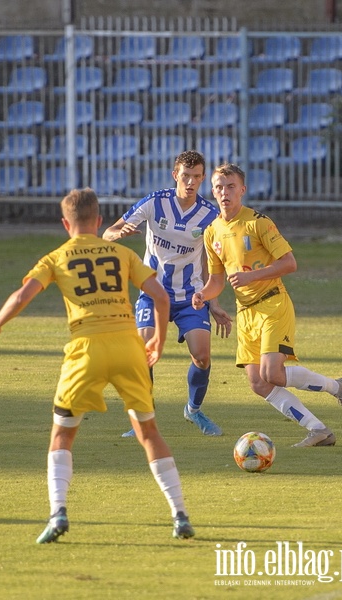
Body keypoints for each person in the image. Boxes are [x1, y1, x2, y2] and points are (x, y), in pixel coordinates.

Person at [0, 188, 195, 542]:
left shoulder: (56, 257)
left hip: (86, 350)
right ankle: (180, 515)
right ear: (99, 221)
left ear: (65, 224)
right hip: (128, 346)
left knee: (62, 433)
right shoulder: (121, 252)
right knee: (149, 433)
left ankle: (58, 513)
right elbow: (159, 295)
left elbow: (22, 296)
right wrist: (158, 338)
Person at [192, 164, 342, 447]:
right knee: (258, 383)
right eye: (219, 187)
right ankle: (318, 429)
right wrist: (204, 295)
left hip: (272, 304)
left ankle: (338, 387)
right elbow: (218, 280)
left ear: (242, 190)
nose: (224, 192)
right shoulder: (212, 232)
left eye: (230, 186)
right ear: (212, 191)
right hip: (246, 314)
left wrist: (251, 276)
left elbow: (289, 263)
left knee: (272, 373)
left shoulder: (258, 223)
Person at [102, 150, 232, 438]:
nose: (191, 182)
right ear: (176, 175)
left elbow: (211, 264)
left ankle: (194, 411)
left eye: (197, 177)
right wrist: (119, 233)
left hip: (191, 296)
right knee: (144, 353)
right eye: (186, 176)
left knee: (202, 355)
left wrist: (213, 302)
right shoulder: (155, 202)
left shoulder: (209, 215)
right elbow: (108, 232)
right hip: (153, 293)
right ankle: (144, 420)